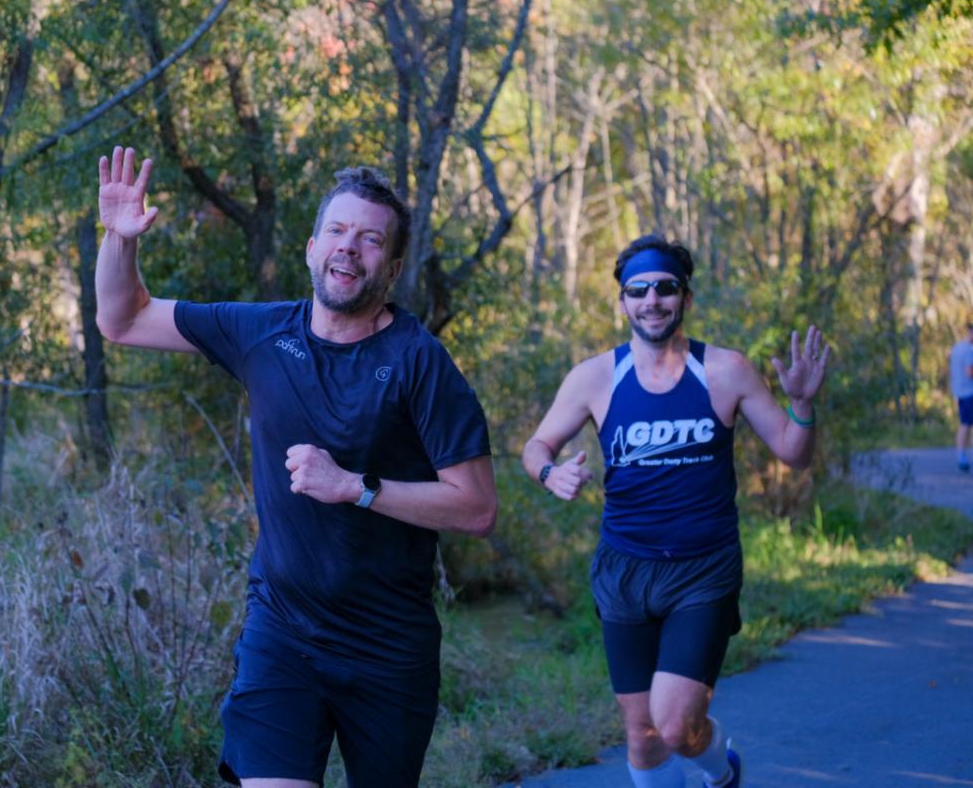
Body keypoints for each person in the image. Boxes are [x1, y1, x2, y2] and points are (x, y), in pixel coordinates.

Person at [94, 146, 498, 788]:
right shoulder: (261, 334)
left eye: (370, 240)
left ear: (392, 269)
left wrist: (353, 487)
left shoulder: (420, 362)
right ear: (312, 249)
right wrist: (120, 239)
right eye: (337, 231)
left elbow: (476, 508)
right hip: (282, 631)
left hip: (388, 648)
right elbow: (123, 319)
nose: (349, 248)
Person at [521, 235, 830, 788]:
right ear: (622, 301)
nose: (652, 300)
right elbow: (535, 447)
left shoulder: (726, 371)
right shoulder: (595, 377)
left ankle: (720, 772)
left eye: (665, 288)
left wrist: (802, 406)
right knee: (642, 735)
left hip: (703, 570)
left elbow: (794, 452)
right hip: (624, 569)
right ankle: (719, 773)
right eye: (638, 290)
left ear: (685, 298)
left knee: (675, 725)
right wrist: (550, 473)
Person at [950, 321, 973, 472]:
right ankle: (961, 457)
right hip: (969, 393)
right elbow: (970, 372)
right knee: (966, 424)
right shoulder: (968, 350)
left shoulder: (956, 348)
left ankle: (961, 455)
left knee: (965, 423)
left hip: (960, 392)